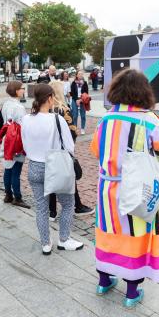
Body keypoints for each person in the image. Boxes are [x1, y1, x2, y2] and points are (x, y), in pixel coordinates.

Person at [90, 69, 159, 308]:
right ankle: (131, 293)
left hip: (107, 189)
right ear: (143, 92)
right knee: (134, 236)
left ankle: (103, 280)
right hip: (137, 190)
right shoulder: (150, 121)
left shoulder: (106, 118)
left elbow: (95, 150)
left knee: (107, 233)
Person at [21, 83, 84, 255]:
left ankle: (45, 243)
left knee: (41, 207)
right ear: (49, 98)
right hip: (55, 166)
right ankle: (64, 239)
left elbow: (25, 144)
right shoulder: (57, 119)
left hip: (34, 165)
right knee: (68, 203)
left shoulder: (26, 119)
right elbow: (69, 146)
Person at [48, 81, 94, 219]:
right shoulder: (63, 109)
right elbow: (71, 132)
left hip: (48, 150)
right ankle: (76, 206)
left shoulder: (45, 108)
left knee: (51, 178)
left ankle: (52, 211)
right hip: (62, 150)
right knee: (70, 177)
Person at [0, 80, 30, 208]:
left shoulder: (6, 104)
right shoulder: (19, 107)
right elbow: (23, 126)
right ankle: (17, 197)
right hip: (16, 141)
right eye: (22, 88)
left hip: (7, 139)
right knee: (16, 170)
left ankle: (8, 195)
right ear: (17, 91)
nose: (23, 90)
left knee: (8, 168)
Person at [70, 70, 89, 135]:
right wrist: (76, 100)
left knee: (83, 115)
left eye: (81, 74)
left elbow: (86, 93)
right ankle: (75, 128)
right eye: (79, 74)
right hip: (75, 100)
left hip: (82, 100)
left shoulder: (85, 83)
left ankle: (82, 128)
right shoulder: (73, 83)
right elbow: (72, 93)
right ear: (77, 75)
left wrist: (81, 100)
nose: (80, 75)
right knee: (75, 115)